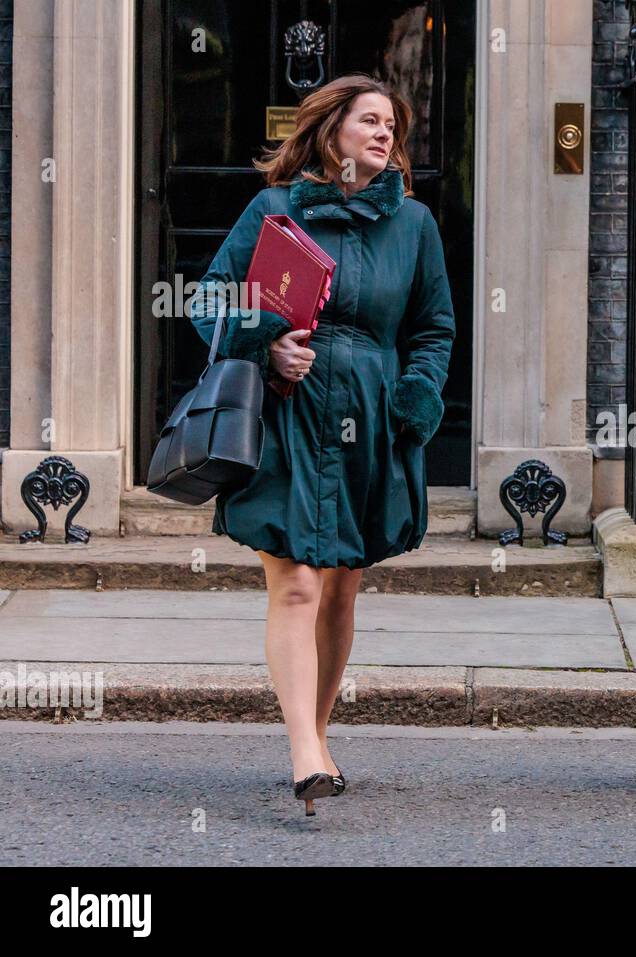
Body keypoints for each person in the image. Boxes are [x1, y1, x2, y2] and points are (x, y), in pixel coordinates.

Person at [186, 74, 455, 816]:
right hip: (286, 416)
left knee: (340, 587)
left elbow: (433, 327)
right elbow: (208, 300)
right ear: (332, 129)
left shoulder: (415, 226)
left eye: (392, 127)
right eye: (369, 120)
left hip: (369, 417)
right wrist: (268, 341)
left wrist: (417, 396)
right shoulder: (274, 210)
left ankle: (318, 733)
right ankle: (304, 748)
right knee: (298, 581)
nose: (384, 134)